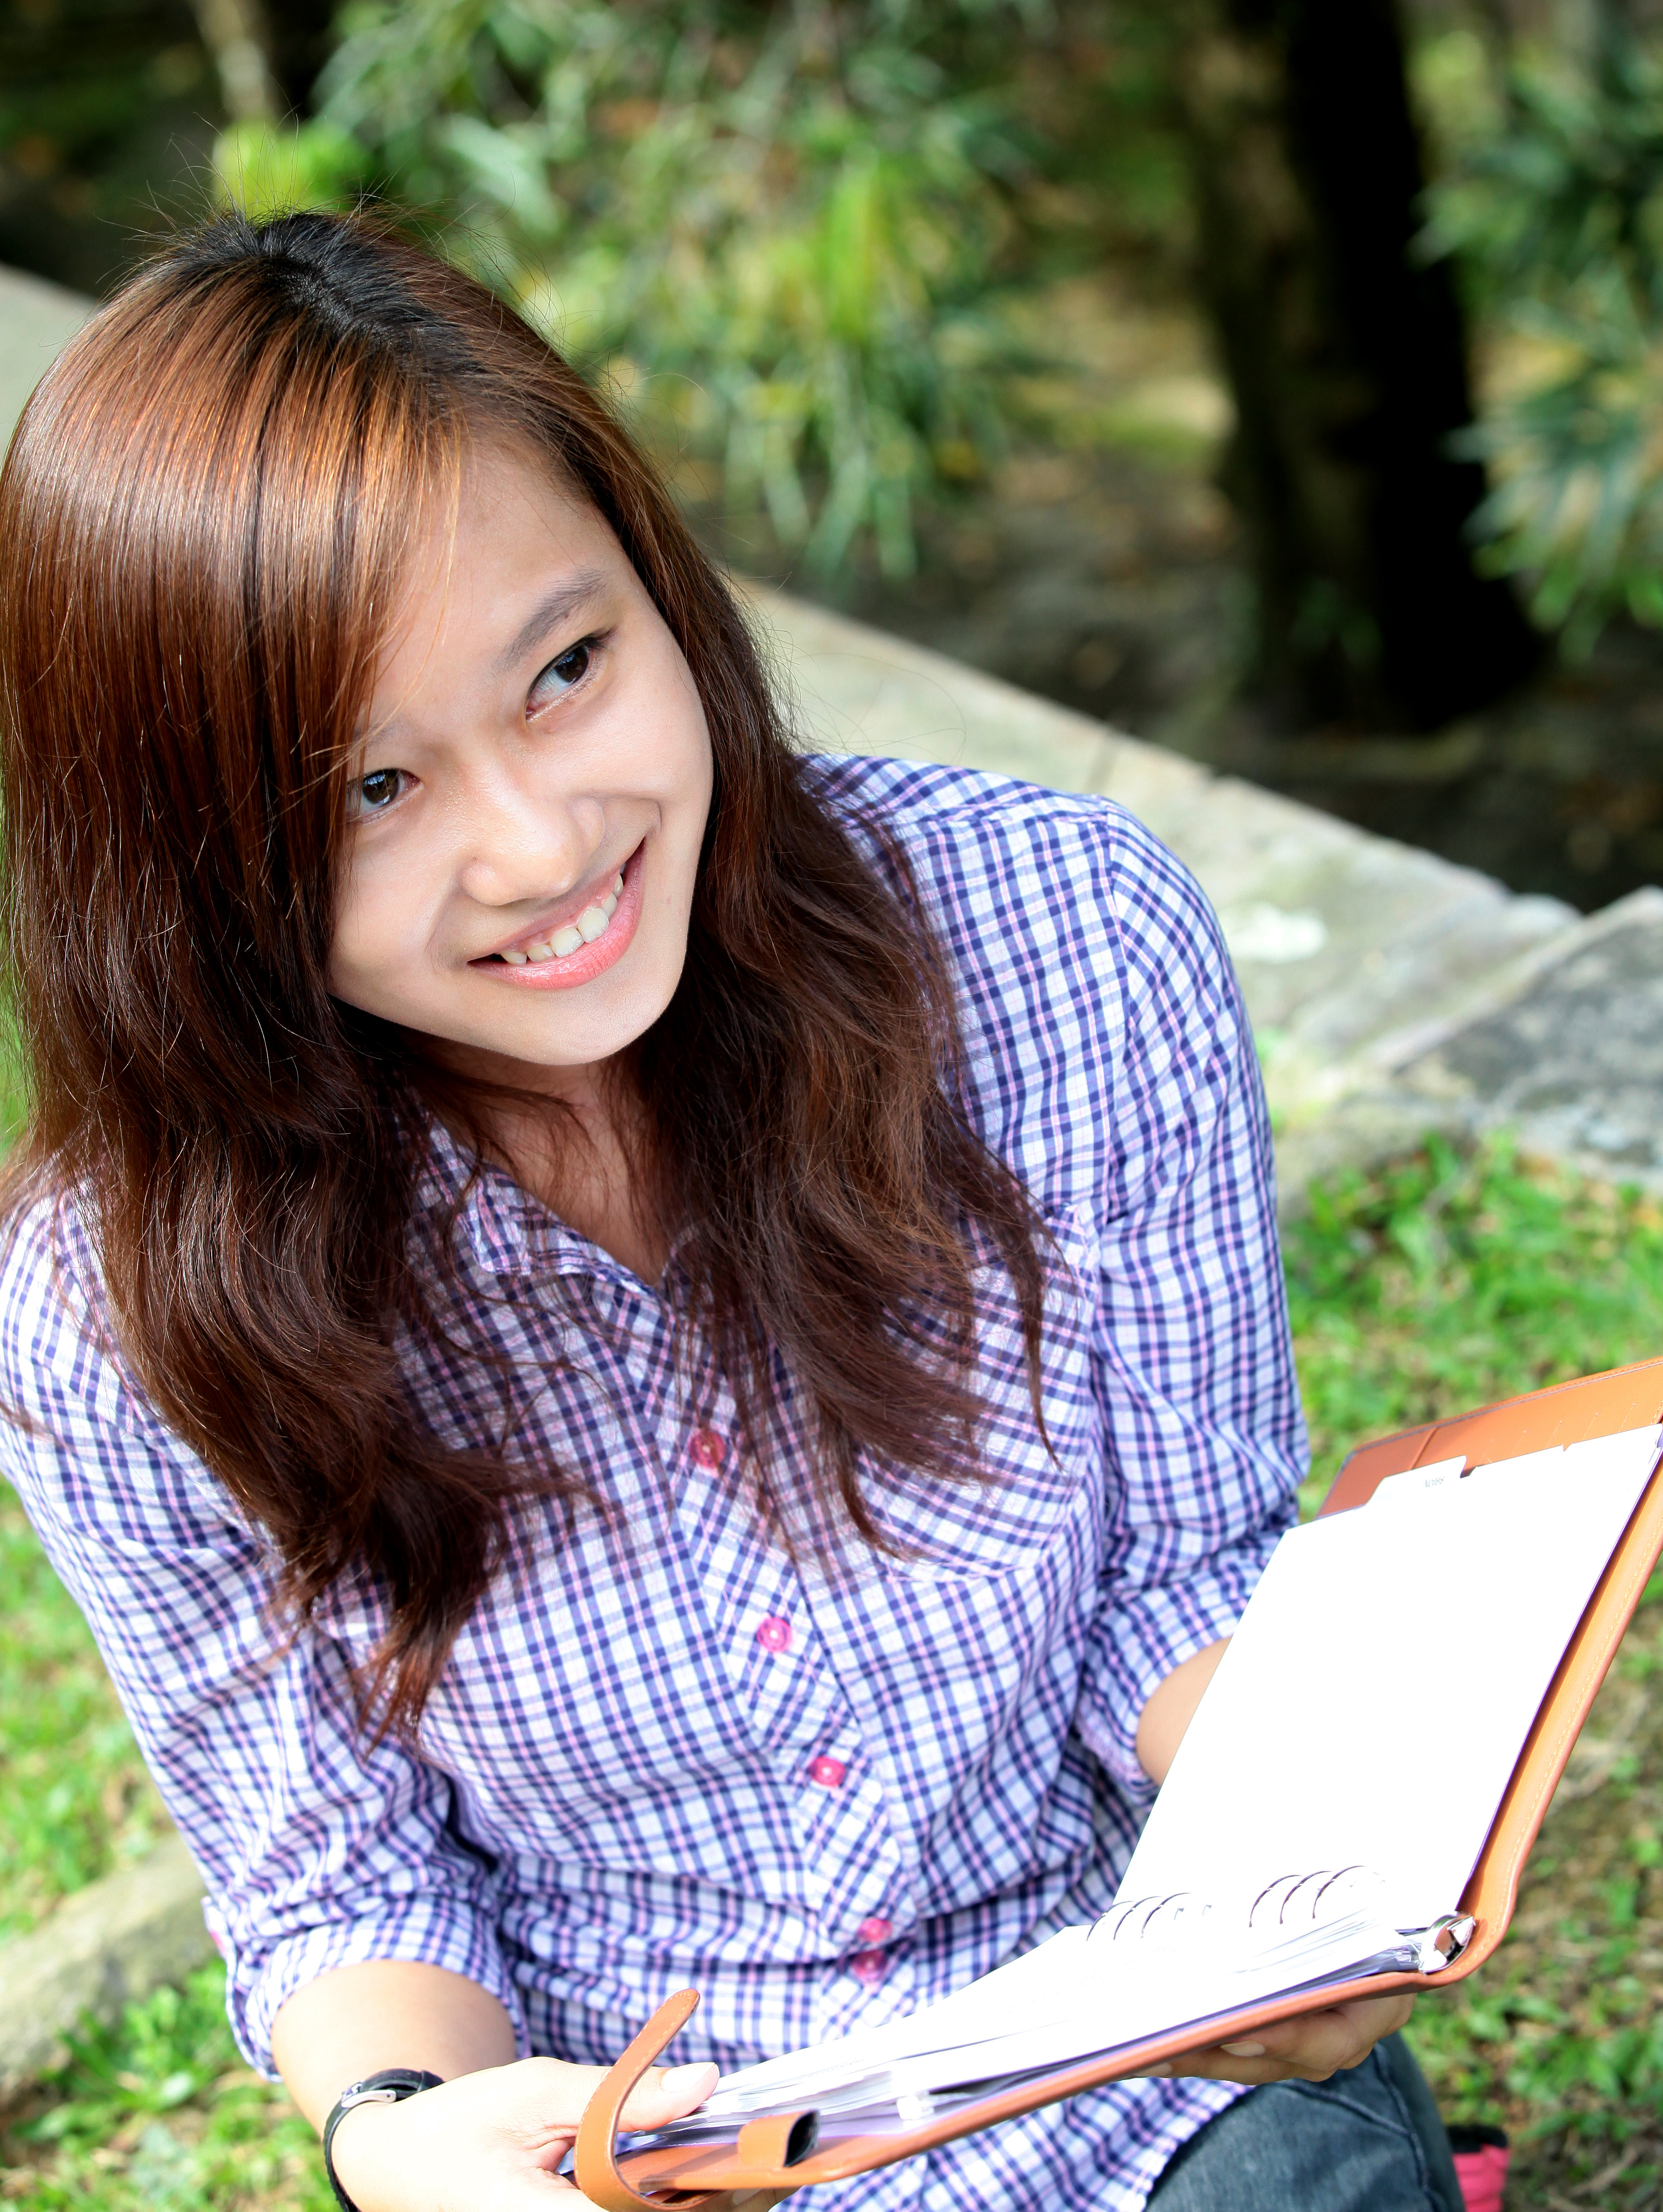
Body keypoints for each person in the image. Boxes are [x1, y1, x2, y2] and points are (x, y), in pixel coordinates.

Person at [0, 211, 1461, 2212]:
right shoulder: (115, 1308)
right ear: (184, 857)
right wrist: (408, 2138)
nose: (539, 846)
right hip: (659, 2143)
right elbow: (340, 1878)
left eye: (567, 669)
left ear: (663, 589)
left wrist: (1309, 1859)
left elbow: (1183, 1578)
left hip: (1143, 2066)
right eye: (371, 791)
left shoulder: (1065, 938)